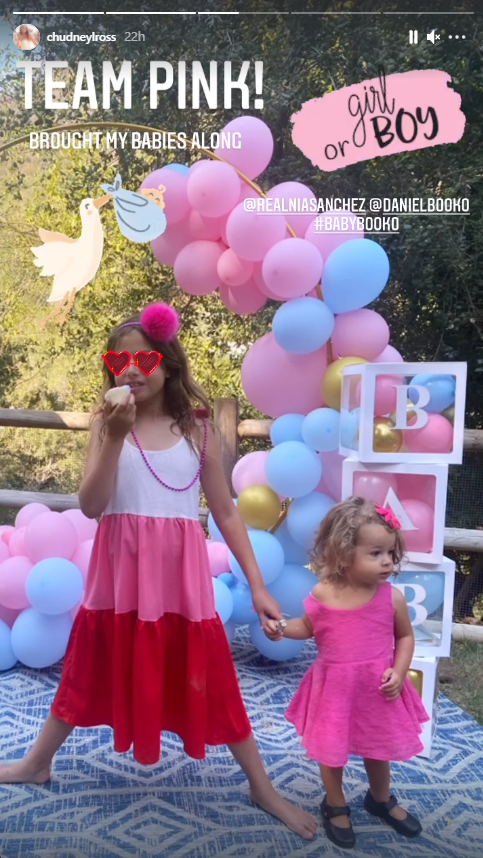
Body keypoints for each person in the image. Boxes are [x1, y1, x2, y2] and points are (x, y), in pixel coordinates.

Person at [0, 302, 316, 841]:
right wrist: (117, 436)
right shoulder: (106, 424)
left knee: (211, 672)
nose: (130, 368)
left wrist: (258, 586)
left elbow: (225, 512)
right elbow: (93, 504)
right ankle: (36, 763)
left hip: (180, 581)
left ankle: (261, 785)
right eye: (118, 358)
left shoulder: (195, 431)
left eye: (144, 358)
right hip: (120, 578)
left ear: (167, 364)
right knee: (88, 665)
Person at [264, 496, 429, 849]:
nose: (387, 562)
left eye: (390, 553)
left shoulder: (392, 598)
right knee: (331, 749)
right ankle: (335, 802)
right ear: (342, 553)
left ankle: (380, 798)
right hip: (335, 690)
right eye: (376, 553)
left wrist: (399, 672)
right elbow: (306, 627)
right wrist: (280, 628)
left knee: (378, 747)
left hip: (377, 690)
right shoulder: (322, 594)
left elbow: (405, 636)